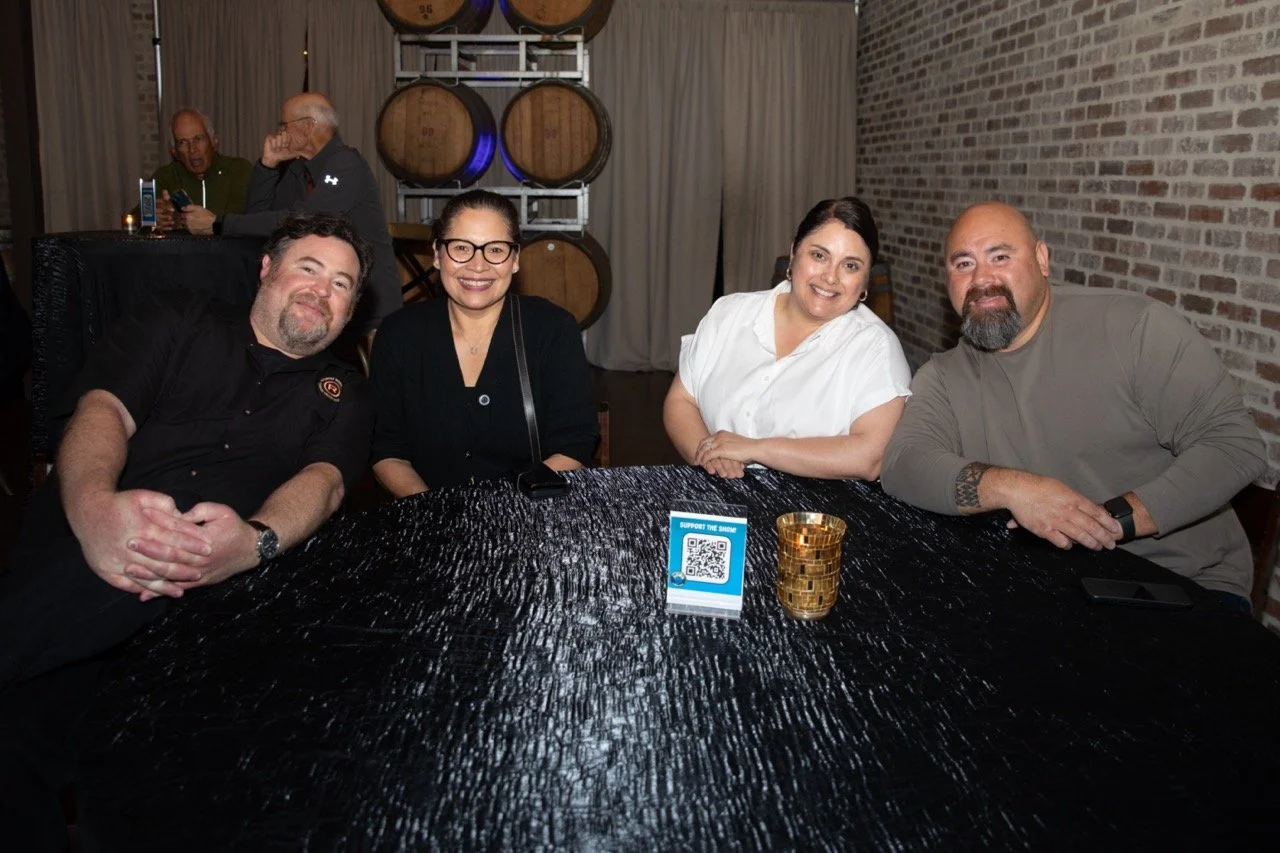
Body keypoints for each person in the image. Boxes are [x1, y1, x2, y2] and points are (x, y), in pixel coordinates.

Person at [0, 211, 374, 849]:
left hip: (213, 591)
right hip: (89, 551)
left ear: (352, 309)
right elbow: (101, 409)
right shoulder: (178, 317)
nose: (321, 289)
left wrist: (254, 540)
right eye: (308, 268)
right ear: (266, 269)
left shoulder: (343, 391)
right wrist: (95, 510)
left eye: (342, 284)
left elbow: (326, 481)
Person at [880, 201, 1267, 611]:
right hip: (1046, 585)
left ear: (1042, 259)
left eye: (1000, 256)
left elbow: (1234, 446)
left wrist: (1105, 522)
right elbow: (903, 464)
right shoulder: (945, 374)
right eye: (963, 264)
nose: (982, 279)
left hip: (1182, 586)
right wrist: (1016, 488)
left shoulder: (1133, 329)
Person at [663, 197, 912, 480]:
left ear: (866, 280)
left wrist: (756, 449)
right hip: (716, 500)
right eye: (819, 256)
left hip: (816, 520)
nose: (830, 277)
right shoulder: (729, 313)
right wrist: (710, 457)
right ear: (794, 254)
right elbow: (681, 400)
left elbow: (870, 457)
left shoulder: (876, 348)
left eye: (851, 266)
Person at [369, 190, 597, 494]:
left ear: (515, 260)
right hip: (428, 520)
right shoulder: (399, 335)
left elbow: (575, 443)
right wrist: (433, 513)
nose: (478, 266)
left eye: (496, 250)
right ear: (437, 255)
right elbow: (387, 449)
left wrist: (501, 512)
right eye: (461, 248)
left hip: (528, 515)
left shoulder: (552, 329)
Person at [183, 92, 399, 337]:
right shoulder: (299, 169)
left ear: (307, 126)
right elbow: (262, 217)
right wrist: (268, 165)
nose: (281, 133)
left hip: (362, 299)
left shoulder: (347, 164)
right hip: (318, 292)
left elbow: (305, 219)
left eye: (284, 125)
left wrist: (220, 223)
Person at [131, 108, 253, 230]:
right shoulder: (166, 175)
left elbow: (240, 218)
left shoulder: (238, 169)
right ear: (174, 152)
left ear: (214, 141)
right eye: (183, 143)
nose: (192, 149)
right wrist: (154, 217)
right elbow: (133, 218)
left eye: (198, 139)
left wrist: (181, 220)